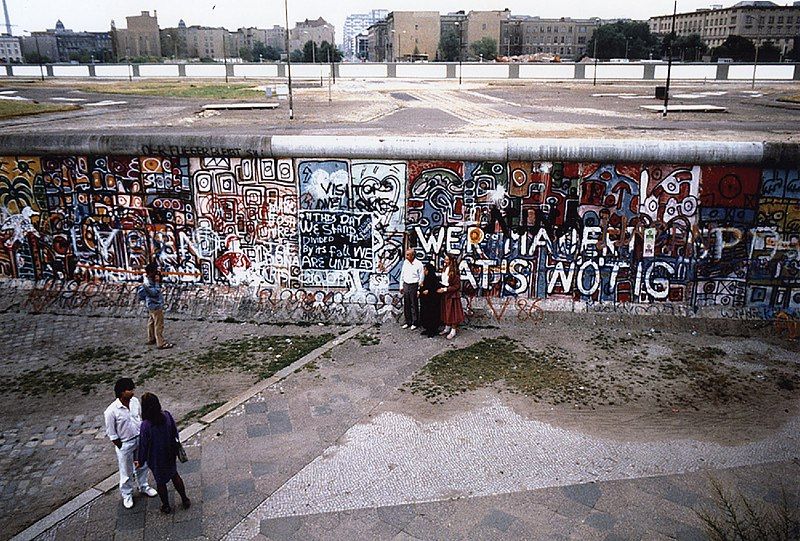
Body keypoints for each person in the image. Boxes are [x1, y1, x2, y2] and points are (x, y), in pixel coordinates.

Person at [104, 378, 158, 509]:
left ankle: (143, 486)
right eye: (130, 389)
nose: (133, 391)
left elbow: (139, 417)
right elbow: (112, 433)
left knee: (142, 464)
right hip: (125, 443)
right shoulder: (111, 411)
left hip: (139, 439)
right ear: (122, 392)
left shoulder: (134, 402)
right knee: (126, 470)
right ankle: (127, 494)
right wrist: (121, 445)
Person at [136, 392, 191, 514]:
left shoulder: (145, 425)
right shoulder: (166, 415)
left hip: (156, 458)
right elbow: (174, 432)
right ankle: (185, 499)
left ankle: (166, 505)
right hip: (169, 452)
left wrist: (140, 460)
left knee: (160, 482)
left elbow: (144, 445)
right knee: (174, 475)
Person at [141, 262, 173, 349]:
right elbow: (154, 293)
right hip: (155, 305)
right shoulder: (148, 283)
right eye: (155, 271)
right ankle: (161, 343)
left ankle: (151, 338)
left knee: (151, 322)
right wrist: (157, 282)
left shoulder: (146, 280)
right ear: (151, 272)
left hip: (151, 305)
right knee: (159, 324)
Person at [437, 254, 465, 339]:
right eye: (445, 260)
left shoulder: (455, 272)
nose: (445, 261)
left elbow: (457, 286)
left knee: (453, 313)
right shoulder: (445, 269)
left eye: (447, 260)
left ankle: (453, 330)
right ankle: (447, 327)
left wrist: (445, 289)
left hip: (452, 295)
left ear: (451, 261)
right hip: (445, 294)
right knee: (446, 311)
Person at [399, 248, 424, 330]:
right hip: (406, 284)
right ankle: (408, 321)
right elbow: (402, 274)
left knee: (414, 304)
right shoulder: (405, 263)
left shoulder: (419, 264)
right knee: (406, 304)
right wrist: (401, 286)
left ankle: (415, 322)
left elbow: (421, 277)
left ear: (412, 255)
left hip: (414, 285)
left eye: (407, 255)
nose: (406, 256)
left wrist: (419, 289)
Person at [418, 262, 442, 338]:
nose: (424, 271)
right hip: (426, 302)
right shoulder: (426, 279)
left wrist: (429, 291)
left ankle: (433, 330)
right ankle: (427, 329)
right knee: (426, 315)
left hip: (432, 302)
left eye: (425, 270)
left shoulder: (434, 279)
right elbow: (423, 288)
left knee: (432, 315)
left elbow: (436, 289)